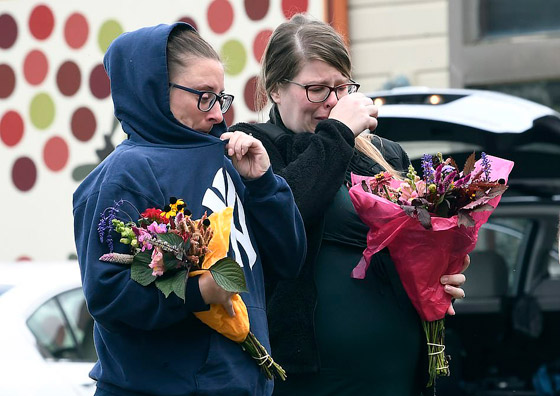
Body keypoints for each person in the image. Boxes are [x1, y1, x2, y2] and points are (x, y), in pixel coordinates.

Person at [230, 14, 469, 396]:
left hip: (397, 367)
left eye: (342, 88)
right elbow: (285, 215)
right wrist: (338, 132)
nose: (333, 102)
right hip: (309, 377)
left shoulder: (385, 154)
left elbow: (418, 245)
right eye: (316, 89)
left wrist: (443, 272)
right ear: (275, 89)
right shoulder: (254, 147)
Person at [73, 22, 306, 396]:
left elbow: (288, 260)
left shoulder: (228, 157)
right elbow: (109, 296)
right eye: (204, 96)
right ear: (153, 91)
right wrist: (198, 292)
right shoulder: (125, 174)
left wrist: (264, 184)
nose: (217, 114)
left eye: (221, 97)